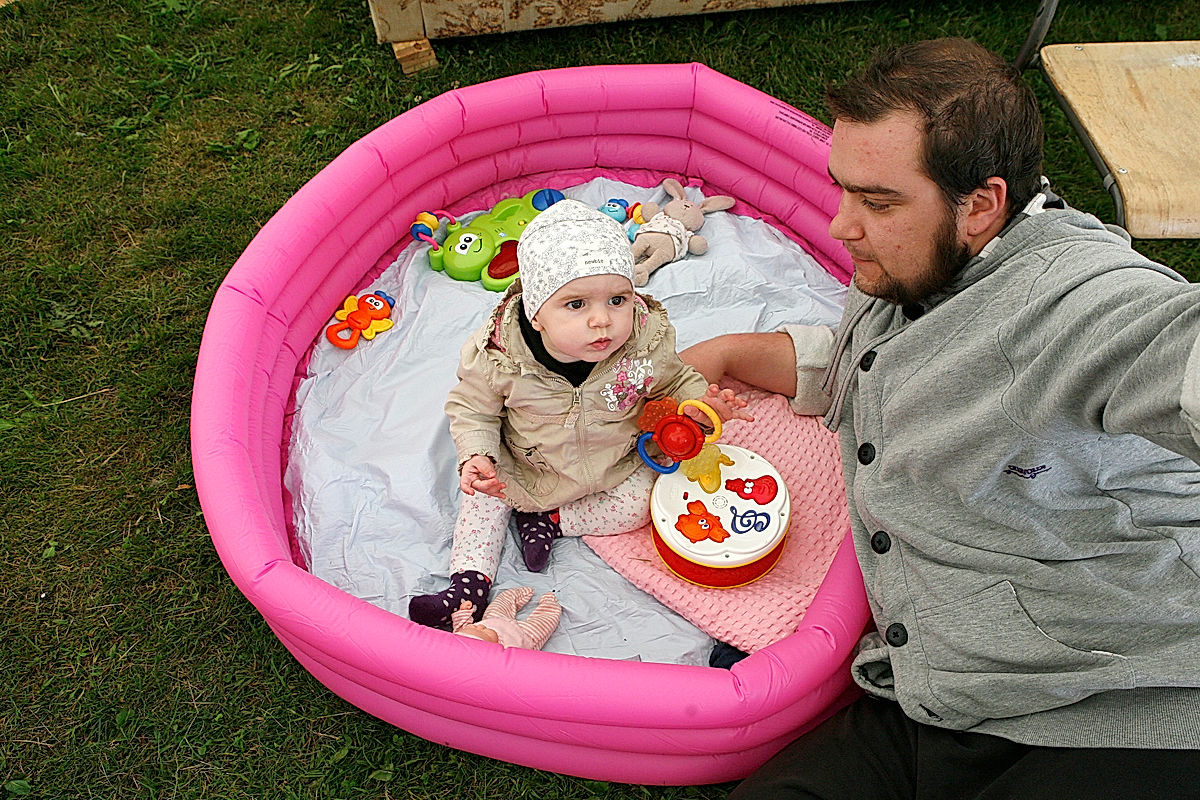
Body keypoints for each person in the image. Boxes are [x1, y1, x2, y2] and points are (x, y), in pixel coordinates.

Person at [679, 38, 1200, 799]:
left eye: (878, 201)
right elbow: (898, 366)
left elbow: (1167, 347)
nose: (839, 226)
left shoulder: (1077, 303)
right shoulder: (917, 261)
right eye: (843, 190)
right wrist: (736, 350)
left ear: (981, 206)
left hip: (1123, 707)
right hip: (931, 700)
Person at [409, 199, 749, 630]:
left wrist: (700, 405)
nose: (602, 321)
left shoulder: (644, 342)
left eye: (617, 299)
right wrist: (477, 455)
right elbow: (472, 407)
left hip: (614, 461)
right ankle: (467, 587)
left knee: (644, 504)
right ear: (536, 314)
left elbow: (674, 382)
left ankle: (550, 520)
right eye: (576, 305)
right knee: (480, 497)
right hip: (528, 466)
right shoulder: (500, 359)